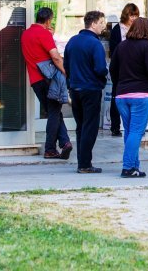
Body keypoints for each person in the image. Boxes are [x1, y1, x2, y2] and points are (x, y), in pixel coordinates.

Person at [110, 17, 148, 178]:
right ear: (147, 30)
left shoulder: (121, 46)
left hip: (121, 95)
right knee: (136, 132)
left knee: (129, 131)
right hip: (141, 95)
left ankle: (134, 166)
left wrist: (120, 84)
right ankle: (127, 167)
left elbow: (113, 69)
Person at [21, 7, 72, 160]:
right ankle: (50, 148)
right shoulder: (44, 34)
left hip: (35, 80)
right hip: (50, 80)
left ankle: (65, 143)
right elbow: (55, 57)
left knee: (53, 112)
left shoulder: (25, 34)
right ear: (49, 19)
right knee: (54, 112)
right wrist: (66, 72)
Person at [64, 10, 109, 174]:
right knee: (90, 127)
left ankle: (82, 162)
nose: (103, 27)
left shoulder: (72, 41)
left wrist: (71, 83)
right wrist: (104, 74)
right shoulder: (95, 44)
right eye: (101, 23)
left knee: (81, 126)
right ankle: (84, 164)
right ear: (94, 23)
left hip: (75, 89)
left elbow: (66, 66)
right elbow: (100, 68)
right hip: (91, 89)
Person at [108, 3, 140, 137]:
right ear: (126, 15)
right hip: (120, 67)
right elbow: (113, 49)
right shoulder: (117, 29)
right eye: (131, 15)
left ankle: (134, 126)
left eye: (135, 15)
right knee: (117, 95)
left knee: (135, 97)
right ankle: (115, 126)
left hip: (135, 68)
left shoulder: (138, 28)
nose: (133, 18)